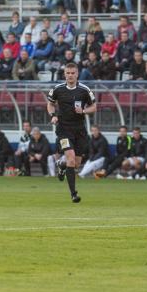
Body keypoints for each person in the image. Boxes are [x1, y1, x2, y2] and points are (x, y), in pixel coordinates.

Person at [47, 63, 97, 202]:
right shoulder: (58, 89)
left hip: (79, 130)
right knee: (70, 157)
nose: (70, 75)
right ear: (64, 74)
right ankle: (73, 194)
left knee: (75, 163)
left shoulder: (84, 90)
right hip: (63, 129)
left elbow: (94, 107)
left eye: (72, 73)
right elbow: (50, 104)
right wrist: (53, 116)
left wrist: (84, 111)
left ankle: (61, 166)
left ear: (77, 74)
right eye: (67, 73)